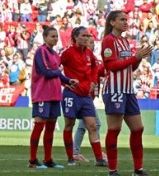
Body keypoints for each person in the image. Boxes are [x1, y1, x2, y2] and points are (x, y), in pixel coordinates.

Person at [101, 10, 153, 176]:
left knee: (138, 128)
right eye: (122, 19)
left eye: (126, 19)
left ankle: (138, 170)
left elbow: (130, 67)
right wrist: (134, 57)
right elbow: (111, 66)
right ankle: (112, 170)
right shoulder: (109, 40)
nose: (126, 22)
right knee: (114, 128)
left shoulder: (124, 41)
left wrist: (138, 58)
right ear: (112, 22)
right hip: (115, 89)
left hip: (128, 90)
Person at [29, 25, 79, 169]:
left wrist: (68, 80)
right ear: (44, 38)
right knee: (39, 125)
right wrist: (58, 72)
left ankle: (48, 159)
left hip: (55, 95)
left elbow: (57, 74)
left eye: (56, 36)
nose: (55, 38)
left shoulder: (55, 54)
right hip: (42, 94)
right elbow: (46, 72)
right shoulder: (41, 51)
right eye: (52, 36)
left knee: (50, 127)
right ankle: (32, 160)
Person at [60, 26, 107, 166]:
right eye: (84, 36)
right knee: (69, 125)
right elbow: (55, 67)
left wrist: (93, 81)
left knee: (92, 126)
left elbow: (94, 67)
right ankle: (70, 158)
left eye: (88, 36)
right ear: (75, 37)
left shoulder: (89, 54)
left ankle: (99, 159)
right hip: (71, 94)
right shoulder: (67, 53)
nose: (87, 38)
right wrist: (65, 82)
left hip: (85, 96)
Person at [72, 32, 105, 163]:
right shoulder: (83, 58)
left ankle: (76, 152)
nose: (91, 45)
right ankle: (96, 154)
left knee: (83, 126)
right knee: (94, 124)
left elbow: (100, 72)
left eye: (92, 43)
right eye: (90, 42)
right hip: (82, 96)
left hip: (88, 97)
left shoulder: (92, 58)